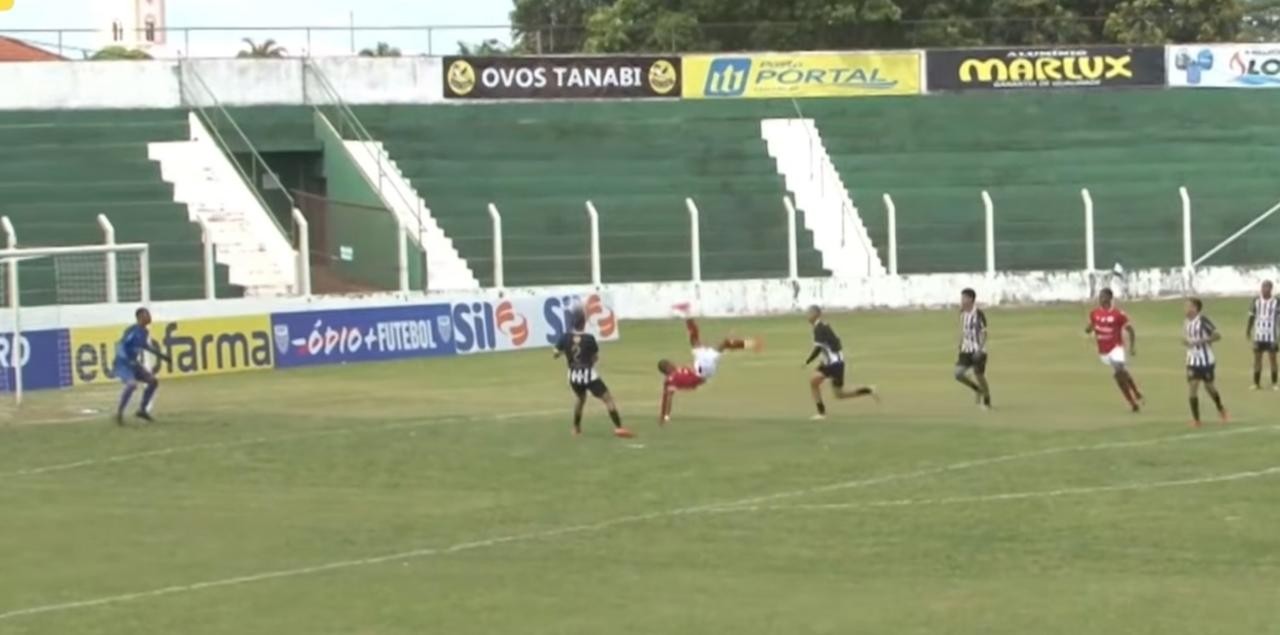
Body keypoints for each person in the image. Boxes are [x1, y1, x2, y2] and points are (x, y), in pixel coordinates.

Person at [657, 304, 760, 424]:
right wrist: (665, 416)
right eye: (670, 364)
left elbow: (669, 397)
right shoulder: (670, 381)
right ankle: (753, 344)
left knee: (696, 340)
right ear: (667, 368)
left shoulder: (675, 375)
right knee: (723, 344)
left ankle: (687, 313)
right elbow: (667, 399)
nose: (673, 364)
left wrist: (665, 416)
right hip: (702, 370)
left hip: (700, 367)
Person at [552, 310, 632, 438]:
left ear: (572, 322)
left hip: (573, 375)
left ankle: (576, 428)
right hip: (588, 374)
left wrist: (564, 352)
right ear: (584, 323)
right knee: (607, 399)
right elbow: (595, 357)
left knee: (580, 399)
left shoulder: (565, 337)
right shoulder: (589, 338)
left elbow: (555, 353)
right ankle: (619, 427)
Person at [803, 305, 875, 420]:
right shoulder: (824, 326)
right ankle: (868, 390)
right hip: (835, 363)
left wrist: (807, 361)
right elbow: (834, 343)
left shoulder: (819, 328)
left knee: (814, 382)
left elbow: (818, 349)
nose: (807, 316)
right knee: (839, 394)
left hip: (833, 364)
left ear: (816, 314)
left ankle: (821, 413)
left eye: (809, 314)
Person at [1085, 288, 1144, 412]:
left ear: (1109, 298)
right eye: (1100, 296)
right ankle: (1135, 391)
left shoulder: (1118, 314)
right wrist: (1088, 329)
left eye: (1103, 296)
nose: (1100, 299)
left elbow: (1130, 330)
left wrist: (1132, 347)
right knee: (1121, 373)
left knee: (1118, 372)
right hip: (1103, 351)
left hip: (1116, 347)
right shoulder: (1095, 313)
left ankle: (1132, 402)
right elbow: (1091, 326)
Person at [113, 307, 170, 425]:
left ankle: (142, 410)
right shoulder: (132, 330)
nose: (149, 317)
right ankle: (119, 413)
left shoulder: (144, 332)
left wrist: (161, 356)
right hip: (123, 364)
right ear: (140, 317)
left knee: (153, 381)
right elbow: (120, 345)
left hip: (134, 363)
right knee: (132, 385)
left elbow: (145, 346)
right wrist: (127, 360)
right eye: (146, 314)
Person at [1185, 297, 1228, 427]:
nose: (1186, 309)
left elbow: (1217, 335)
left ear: (1195, 308)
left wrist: (1201, 341)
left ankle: (1221, 408)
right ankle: (1196, 420)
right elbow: (1190, 339)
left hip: (1206, 361)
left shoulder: (1203, 321)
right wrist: (1187, 343)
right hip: (1192, 361)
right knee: (1193, 388)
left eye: (1189, 306)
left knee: (1209, 388)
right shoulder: (1187, 322)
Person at [953, 288, 992, 409]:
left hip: (978, 350)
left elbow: (984, 333)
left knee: (979, 375)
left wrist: (980, 349)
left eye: (964, 298)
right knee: (958, 374)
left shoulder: (979, 314)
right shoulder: (962, 313)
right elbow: (963, 330)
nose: (961, 300)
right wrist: (960, 343)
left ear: (970, 299)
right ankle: (977, 389)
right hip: (966, 349)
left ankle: (987, 398)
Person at [1246, 280, 1278, 391]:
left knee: (1273, 359)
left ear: (1271, 289)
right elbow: (1251, 316)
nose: (1264, 289)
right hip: (1259, 335)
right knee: (1257, 359)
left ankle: (1274, 383)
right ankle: (1256, 383)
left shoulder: (1276, 301)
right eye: (1263, 287)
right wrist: (1248, 330)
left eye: (1267, 287)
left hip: (1271, 335)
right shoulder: (1256, 300)